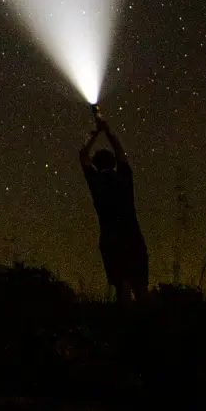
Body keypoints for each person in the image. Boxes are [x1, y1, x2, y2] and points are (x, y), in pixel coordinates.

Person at [79, 115, 149, 304]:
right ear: (113, 163)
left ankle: (126, 328)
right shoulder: (124, 178)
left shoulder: (95, 181)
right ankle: (150, 327)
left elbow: (82, 155)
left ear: (96, 165)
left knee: (122, 286)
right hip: (133, 235)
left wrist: (94, 133)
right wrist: (108, 131)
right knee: (141, 286)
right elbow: (121, 152)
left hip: (110, 238)